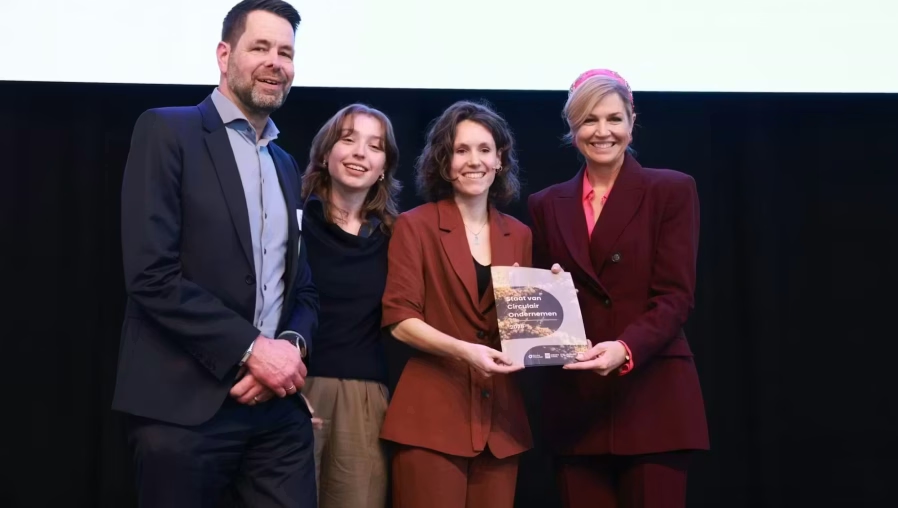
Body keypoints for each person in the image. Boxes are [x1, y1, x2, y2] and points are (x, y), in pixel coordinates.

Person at [113, 1, 318, 507]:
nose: (276, 62)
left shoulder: (287, 164)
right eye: (261, 47)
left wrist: (289, 347)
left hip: (276, 412)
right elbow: (151, 275)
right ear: (224, 55)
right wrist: (253, 350)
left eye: (286, 52)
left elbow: (303, 289)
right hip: (184, 410)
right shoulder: (167, 131)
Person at [527, 69, 709, 508]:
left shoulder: (671, 190)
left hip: (652, 398)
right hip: (577, 406)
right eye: (589, 120)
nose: (602, 131)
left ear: (632, 121)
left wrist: (624, 349)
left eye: (613, 118)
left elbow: (675, 298)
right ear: (572, 131)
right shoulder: (546, 204)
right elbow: (543, 300)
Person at [380, 100, 533, 508]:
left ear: (500, 160)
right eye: (461, 150)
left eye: (485, 150)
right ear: (444, 163)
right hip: (430, 420)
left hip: (500, 427)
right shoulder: (416, 225)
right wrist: (466, 351)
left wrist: (551, 300)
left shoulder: (518, 235)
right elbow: (399, 319)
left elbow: (522, 331)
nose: (474, 161)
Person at [299, 103, 402, 508]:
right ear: (325, 154)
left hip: (364, 399)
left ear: (384, 167)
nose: (361, 152)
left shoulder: (397, 236)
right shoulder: (291, 220)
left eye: (375, 146)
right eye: (348, 139)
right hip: (290, 387)